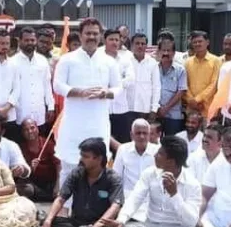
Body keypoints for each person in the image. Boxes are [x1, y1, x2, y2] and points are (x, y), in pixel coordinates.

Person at [102, 136, 201, 227]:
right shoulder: (149, 174)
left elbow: (191, 221)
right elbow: (135, 198)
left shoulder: (192, 184)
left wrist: (175, 195)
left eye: (160, 153)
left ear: (171, 161)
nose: (155, 155)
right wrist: (121, 219)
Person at [52, 18, 122, 182]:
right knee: (69, 167)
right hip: (74, 123)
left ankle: (93, 207)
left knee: (97, 168)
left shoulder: (109, 62)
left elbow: (118, 88)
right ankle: (65, 206)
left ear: (101, 36)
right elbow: (57, 85)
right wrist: (79, 92)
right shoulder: (67, 59)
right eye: (88, 33)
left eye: (95, 34)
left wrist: (106, 93)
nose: (91, 37)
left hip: (98, 122)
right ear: (81, 35)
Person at [39, 138, 123, 227]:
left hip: (99, 224)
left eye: (85, 157)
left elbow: (115, 206)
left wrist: (97, 226)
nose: (81, 159)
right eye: (81, 155)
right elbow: (61, 199)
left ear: (99, 159)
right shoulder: (77, 173)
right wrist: (48, 221)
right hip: (76, 223)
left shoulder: (113, 178)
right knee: (48, 222)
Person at [9, 26, 54, 139]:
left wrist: (51, 107)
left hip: (39, 113)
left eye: (32, 40)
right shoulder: (12, 62)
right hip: (20, 113)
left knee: (39, 145)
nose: (30, 43)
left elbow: (47, 86)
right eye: (27, 40)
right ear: (20, 41)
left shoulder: (42, 61)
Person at [113, 119, 160, 200]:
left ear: (149, 135)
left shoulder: (158, 151)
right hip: (128, 196)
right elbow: (116, 176)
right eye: (138, 133)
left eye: (145, 133)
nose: (142, 136)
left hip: (151, 197)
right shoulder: (123, 149)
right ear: (131, 135)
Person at [103, 28, 136, 145]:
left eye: (117, 40)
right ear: (104, 40)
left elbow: (130, 79)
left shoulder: (125, 59)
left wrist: (114, 85)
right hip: (102, 109)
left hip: (121, 109)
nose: (114, 42)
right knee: (102, 145)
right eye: (111, 39)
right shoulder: (97, 58)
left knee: (123, 145)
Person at [17, 117, 58, 202]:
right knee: (25, 189)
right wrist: (30, 168)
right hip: (34, 185)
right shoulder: (20, 148)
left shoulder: (48, 143)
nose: (30, 131)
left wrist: (57, 185)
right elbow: (21, 175)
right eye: (26, 129)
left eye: (32, 128)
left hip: (50, 183)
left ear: (37, 128)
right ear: (22, 133)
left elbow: (58, 165)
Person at [126, 32, 161, 127]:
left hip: (145, 109)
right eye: (137, 43)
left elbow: (156, 87)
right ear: (132, 45)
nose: (140, 46)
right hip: (127, 108)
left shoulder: (152, 63)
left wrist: (154, 109)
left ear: (146, 46)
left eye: (143, 43)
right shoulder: (125, 61)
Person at [183, 30, 221, 116]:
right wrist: (191, 101)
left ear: (207, 42)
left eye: (200, 41)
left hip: (208, 108)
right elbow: (184, 84)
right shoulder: (187, 62)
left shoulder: (216, 61)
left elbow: (214, 84)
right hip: (191, 109)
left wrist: (197, 100)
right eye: (194, 42)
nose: (197, 44)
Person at [156, 37, 188, 137]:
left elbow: (181, 91)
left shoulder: (180, 69)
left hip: (173, 115)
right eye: (163, 50)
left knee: (172, 144)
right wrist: (157, 109)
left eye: (168, 50)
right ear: (159, 52)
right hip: (155, 114)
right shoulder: (153, 68)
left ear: (174, 53)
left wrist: (165, 108)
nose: (166, 53)